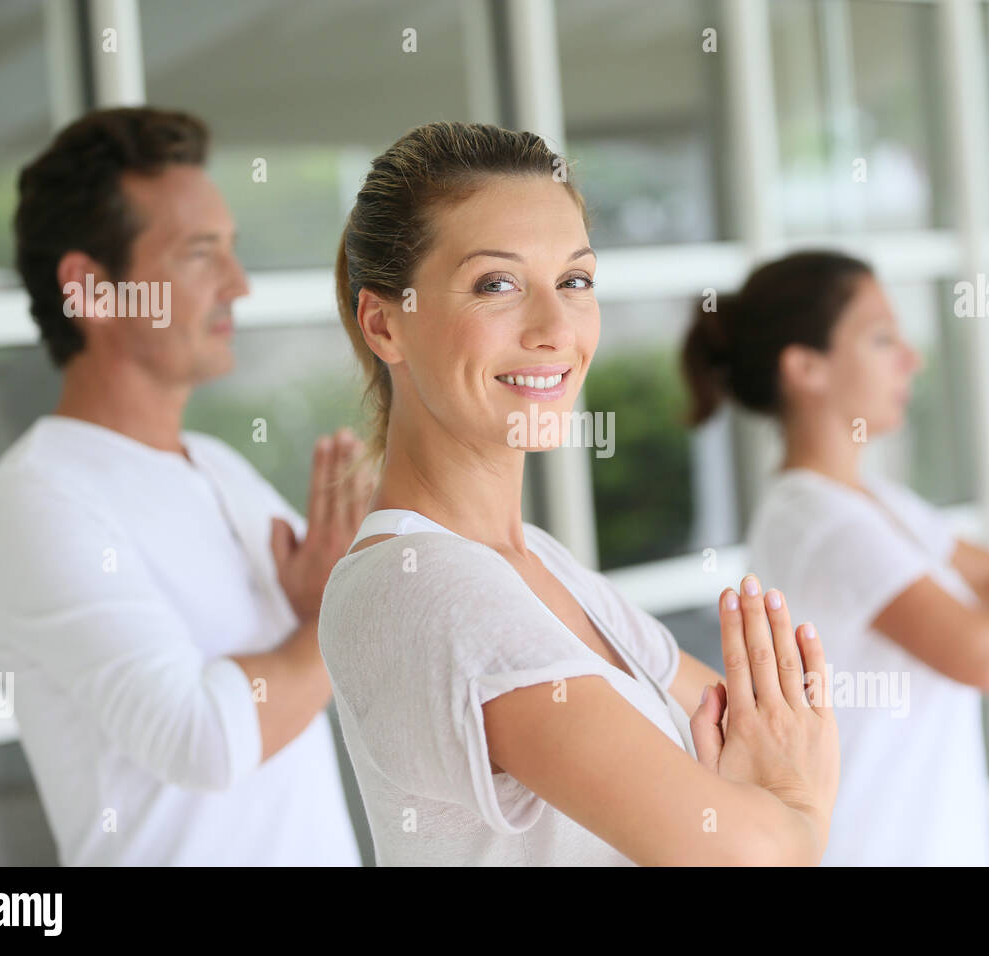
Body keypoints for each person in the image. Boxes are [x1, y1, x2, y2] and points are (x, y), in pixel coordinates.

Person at [317, 120, 839, 866]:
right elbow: (746, 847)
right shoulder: (422, 587)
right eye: (496, 284)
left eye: (575, 281)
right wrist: (797, 808)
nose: (556, 327)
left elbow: (756, 743)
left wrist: (779, 811)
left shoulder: (546, 567)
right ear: (384, 323)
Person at [0, 107, 369, 865]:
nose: (238, 285)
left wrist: (330, 616)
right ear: (88, 289)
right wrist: (327, 624)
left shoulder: (220, 466)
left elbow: (379, 626)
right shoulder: (37, 500)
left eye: (233, 252)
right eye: (198, 254)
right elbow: (204, 739)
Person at [681, 251, 989, 865]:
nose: (912, 359)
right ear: (806, 367)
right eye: (882, 338)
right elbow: (986, 658)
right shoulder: (820, 520)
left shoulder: (876, 500)